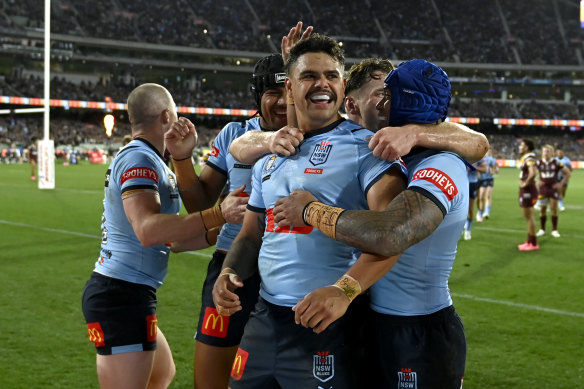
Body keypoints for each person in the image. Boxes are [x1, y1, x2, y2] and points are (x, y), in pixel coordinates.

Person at [212, 33, 408, 388]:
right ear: (290, 88)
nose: (322, 84)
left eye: (331, 75)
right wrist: (229, 273)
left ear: (343, 85)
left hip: (328, 324)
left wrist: (345, 291)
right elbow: (252, 234)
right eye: (309, 76)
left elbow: (393, 234)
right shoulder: (271, 156)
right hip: (264, 319)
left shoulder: (367, 149)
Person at [272, 58, 469, 388]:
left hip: (417, 331)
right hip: (369, 320)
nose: (381, 102)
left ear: (406, 102)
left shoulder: (442, 164)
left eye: (387, 95)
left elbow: (390, 234)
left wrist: (311, 211)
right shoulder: (383, 156)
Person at [81, 83, 245, 389]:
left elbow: (173, 240)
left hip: (130, 293)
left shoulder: (152, 159)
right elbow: (148, 230)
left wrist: (222, 231)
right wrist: (218, 213)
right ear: (167, 116)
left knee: (161, 373)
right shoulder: (139, 160)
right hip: (120, 295)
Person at [163, 53, 289, 389]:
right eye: (273, 93)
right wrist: (181, 157)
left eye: (289, 91)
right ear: (257, 95)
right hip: (232, 266)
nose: (282, 102)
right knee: (212, 376)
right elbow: (200, 201)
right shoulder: (234, 133)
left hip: (291, 267)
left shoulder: (312, 135)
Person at [535, 144, 571, 238]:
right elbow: (532, 174)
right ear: (542, 153)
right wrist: (536, 182)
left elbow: (568, 173)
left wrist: (561, 184)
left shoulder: (556, 163)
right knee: (542, 210)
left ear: (552, 153)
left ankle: (554, 230)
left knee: (554, 209)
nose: (545, 153)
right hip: (543, 189)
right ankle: (542, 229)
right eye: (544, 151)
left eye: (548, 151)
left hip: (553, 189)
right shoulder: (538, 163)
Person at [517, 138, 540, 251]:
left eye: (521, 145)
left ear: (526, 147)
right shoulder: (527, 158)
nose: (519, 147)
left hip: (528, 190)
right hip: (528, 190)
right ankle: (530, 241)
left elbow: (533, 172)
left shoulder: (530, 158)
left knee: (529, 217)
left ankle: (533, 243)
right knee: (528, 217)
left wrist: (525, 184)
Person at [475, 148, 499, 220]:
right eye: (487, 151)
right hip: (481, 179)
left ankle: (487, 212)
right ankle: (480, 212)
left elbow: (495, 169)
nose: (488, 152)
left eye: (489, 151)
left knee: (488, 195)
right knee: (481, 197)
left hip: (489, 179)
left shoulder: (491, 159)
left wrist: (493, 171)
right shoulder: (479, 158)